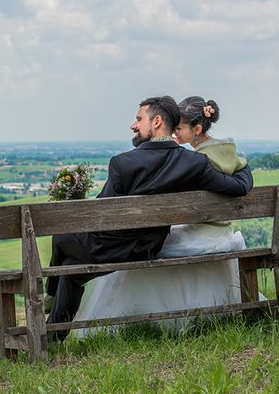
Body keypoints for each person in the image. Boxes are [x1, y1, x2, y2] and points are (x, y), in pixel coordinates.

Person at [45, 96, 254, 340]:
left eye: (138, 119)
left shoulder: (122, 163)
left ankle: (49, 295)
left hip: (111, 248)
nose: (133, 126)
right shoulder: (194, 163)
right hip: (150, 247)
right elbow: (238, 186)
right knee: (71, 270)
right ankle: (53, 337)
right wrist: (241, 164)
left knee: (60, 237)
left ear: (156, 122)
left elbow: (100, 219)